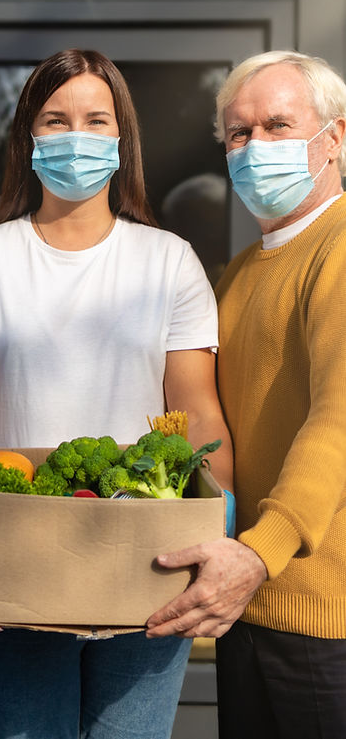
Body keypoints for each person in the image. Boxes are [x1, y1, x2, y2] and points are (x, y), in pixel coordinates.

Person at [0, 48, 234, 739]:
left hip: (147, 558)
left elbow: (198, 410)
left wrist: (218, 518)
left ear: (120, 140)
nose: (75, 135)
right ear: (27, 138)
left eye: (95, 119)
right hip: (14, 554)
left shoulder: (168, 260)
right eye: (55, 119)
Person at [145, 50, 346, 738]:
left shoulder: (340, 249)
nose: (255, 147)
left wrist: (261, 550)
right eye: (238, 133)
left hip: (325, 623)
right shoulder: (235, 276)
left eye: (277, 126)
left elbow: (336, 423)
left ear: (335, 139)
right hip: (246, 603)